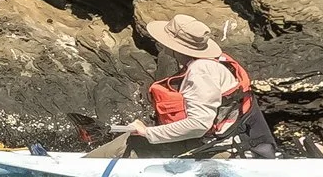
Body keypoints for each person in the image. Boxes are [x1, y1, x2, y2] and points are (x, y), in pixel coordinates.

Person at [88, 15, 276, 158]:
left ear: (174, 46)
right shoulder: (218, 62)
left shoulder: (200, 71)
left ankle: (83, 173)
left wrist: (147, 132)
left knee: (127, 143)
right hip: (229, 141)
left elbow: (199, 124)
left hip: (219, 149)